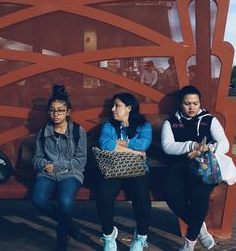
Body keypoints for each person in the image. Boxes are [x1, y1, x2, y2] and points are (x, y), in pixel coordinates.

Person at [161, 85, 229, 251]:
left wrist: (210, 148)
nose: (191, 107)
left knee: (200, 194)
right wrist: (192, 145)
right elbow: (167, 146)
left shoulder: (209, 119)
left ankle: (190, 241)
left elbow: (225, 144)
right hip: (179, 167)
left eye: (195, 103)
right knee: (170, 193)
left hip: (204, 167)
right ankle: (199, 227)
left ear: (200, 103)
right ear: (180, 103)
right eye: (187, 103)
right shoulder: (171, 123)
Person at [32, 85, 87, 251]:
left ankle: (62, 235)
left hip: (71, 173)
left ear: (68, 112)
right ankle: (70, 225)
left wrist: (56, 166)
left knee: (65, 201)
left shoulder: (78, 131)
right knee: (39, 200)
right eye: (52, 110)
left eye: (60, 110)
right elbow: (36, 159)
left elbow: (81, 160)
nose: (56, 114)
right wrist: (44, 165)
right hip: (47, 174)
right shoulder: (43, 132)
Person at [96, 93, 153, 251]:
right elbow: (104, 144)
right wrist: (135, 152)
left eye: (117, 105)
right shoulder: (109, 125)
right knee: (104, 195)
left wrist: (121, 142)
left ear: (129, 108)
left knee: (141, 196)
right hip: (113, 170)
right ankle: (108, 235)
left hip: (137, 170)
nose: (113, 109)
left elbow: (144, 143)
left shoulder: (144, 125)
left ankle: (141, 237)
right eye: (113, 105)